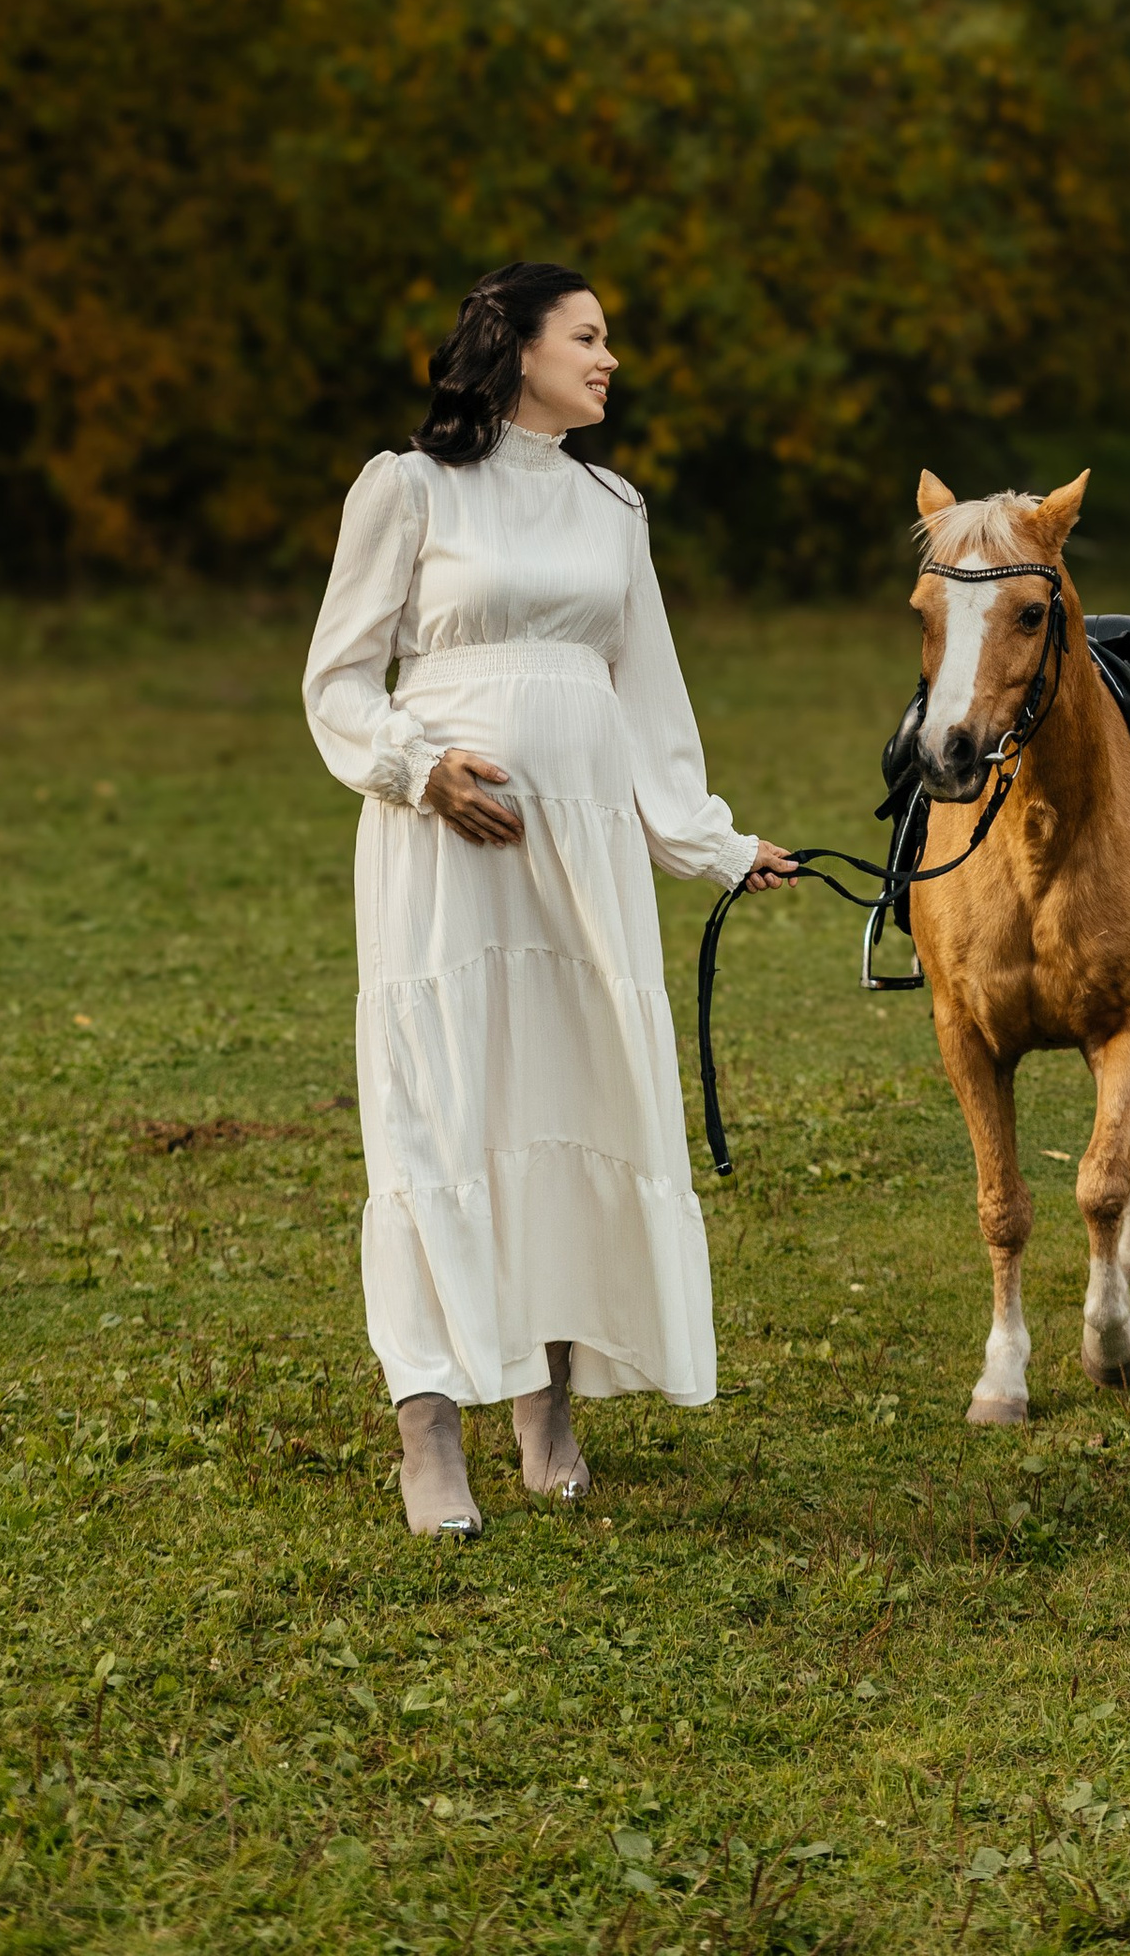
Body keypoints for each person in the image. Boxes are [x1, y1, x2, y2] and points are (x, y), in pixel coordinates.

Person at [302, 261, 796, 1536]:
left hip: (583, 855)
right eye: (587, 335)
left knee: (572, 1103)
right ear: (515, 349)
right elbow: (341, 681)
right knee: (447, 1110)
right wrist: (420, 770)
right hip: (448, 847)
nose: (609, 356)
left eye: (608, 337)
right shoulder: (405, 488)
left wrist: (715, 845)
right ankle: (429, 1430)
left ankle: (547, 1406)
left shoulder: (611, 505)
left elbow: (649, 702)